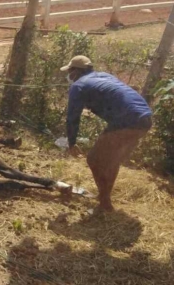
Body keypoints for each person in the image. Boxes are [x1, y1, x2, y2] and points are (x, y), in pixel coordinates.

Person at [61, 55, 153, 212]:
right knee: (112, 161)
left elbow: (72, 117)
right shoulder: (104, 76)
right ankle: (104, 198)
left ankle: (105, 203)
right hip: (145, 119)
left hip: (127, 120)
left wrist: (71, 143)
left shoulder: (79, 86)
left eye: (70, 71)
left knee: (93, 159)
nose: (69, 75)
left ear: (76, 71)